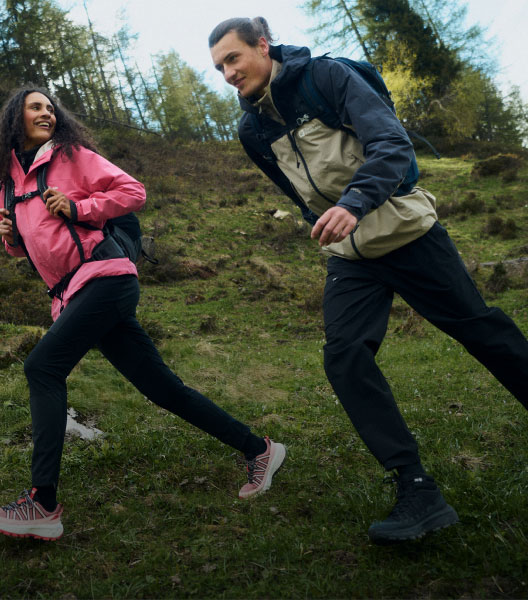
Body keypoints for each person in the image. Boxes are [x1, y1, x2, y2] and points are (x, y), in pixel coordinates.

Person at [208, 17, 528, 544]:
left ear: (262, 46)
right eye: (219, 67)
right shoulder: (252, 130)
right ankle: (416, 489)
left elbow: (392, 144)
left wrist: (353, 204)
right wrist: (325, 221)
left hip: (406, 231)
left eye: (233, 58)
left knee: (480, 329)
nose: (227, 73)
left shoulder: (327, 77)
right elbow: (294, 190)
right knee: (345, 356)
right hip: (351, 255)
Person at [0, 85, 286, 541]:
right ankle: (259, 449)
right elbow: (29, 247)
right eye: (35, 107)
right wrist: (10, 237)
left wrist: (78, 206)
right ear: (13, 119)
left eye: (50, 107)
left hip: (106, 279)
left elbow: (133, 191)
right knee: (162, 387)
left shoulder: (70, 156)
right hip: (71, 294)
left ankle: (42, 503)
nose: (47, 113)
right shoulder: (6, 185)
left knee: (42, 367)